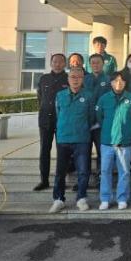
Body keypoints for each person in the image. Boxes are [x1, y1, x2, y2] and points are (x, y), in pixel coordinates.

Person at [49, 68, 95, 213]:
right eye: (72, 77)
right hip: (63, 138)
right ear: (68, 79)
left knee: (83, 171)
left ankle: (81, 198)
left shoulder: (88, 96)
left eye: (79, 77)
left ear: (83, 79)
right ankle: (59, 199)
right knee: (60, 171)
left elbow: (91, 117)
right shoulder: (60, 95)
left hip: (82, 139)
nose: (75, 80)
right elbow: (58, 114)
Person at [96, 72, 131, 210]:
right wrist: (109, 129)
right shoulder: (104, 99)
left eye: (121, 81)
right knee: (105, 171)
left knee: (124, 171)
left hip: (124, 142)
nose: (118, 83)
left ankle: (122, 198)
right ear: (111, 83)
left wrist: (126, 130)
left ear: (125, 83)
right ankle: (105, 199)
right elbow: (99, 117)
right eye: (115, 80)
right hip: (107, 141)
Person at [34, 53, 68, 191]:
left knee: (62, 152)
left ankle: (61, 181)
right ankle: (44, 180)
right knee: (44, 150)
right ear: (51, 63)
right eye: (55, 61)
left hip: (62, 121)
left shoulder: (69, 78)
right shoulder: (44, 78)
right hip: (45, 120)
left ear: (65, 64)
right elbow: (40, 97)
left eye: (60, 62)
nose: (57, 64)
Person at [83, 53, 112, 188]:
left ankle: (101, 178)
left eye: (98, 62)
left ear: (103, 64)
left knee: (102, 152)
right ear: (90, 64)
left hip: (101, 124)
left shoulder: (108, 79)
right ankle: (84, 179)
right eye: (93, 63)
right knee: (84, 153)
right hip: (86, 123)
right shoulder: (84, 79)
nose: (95, 65)